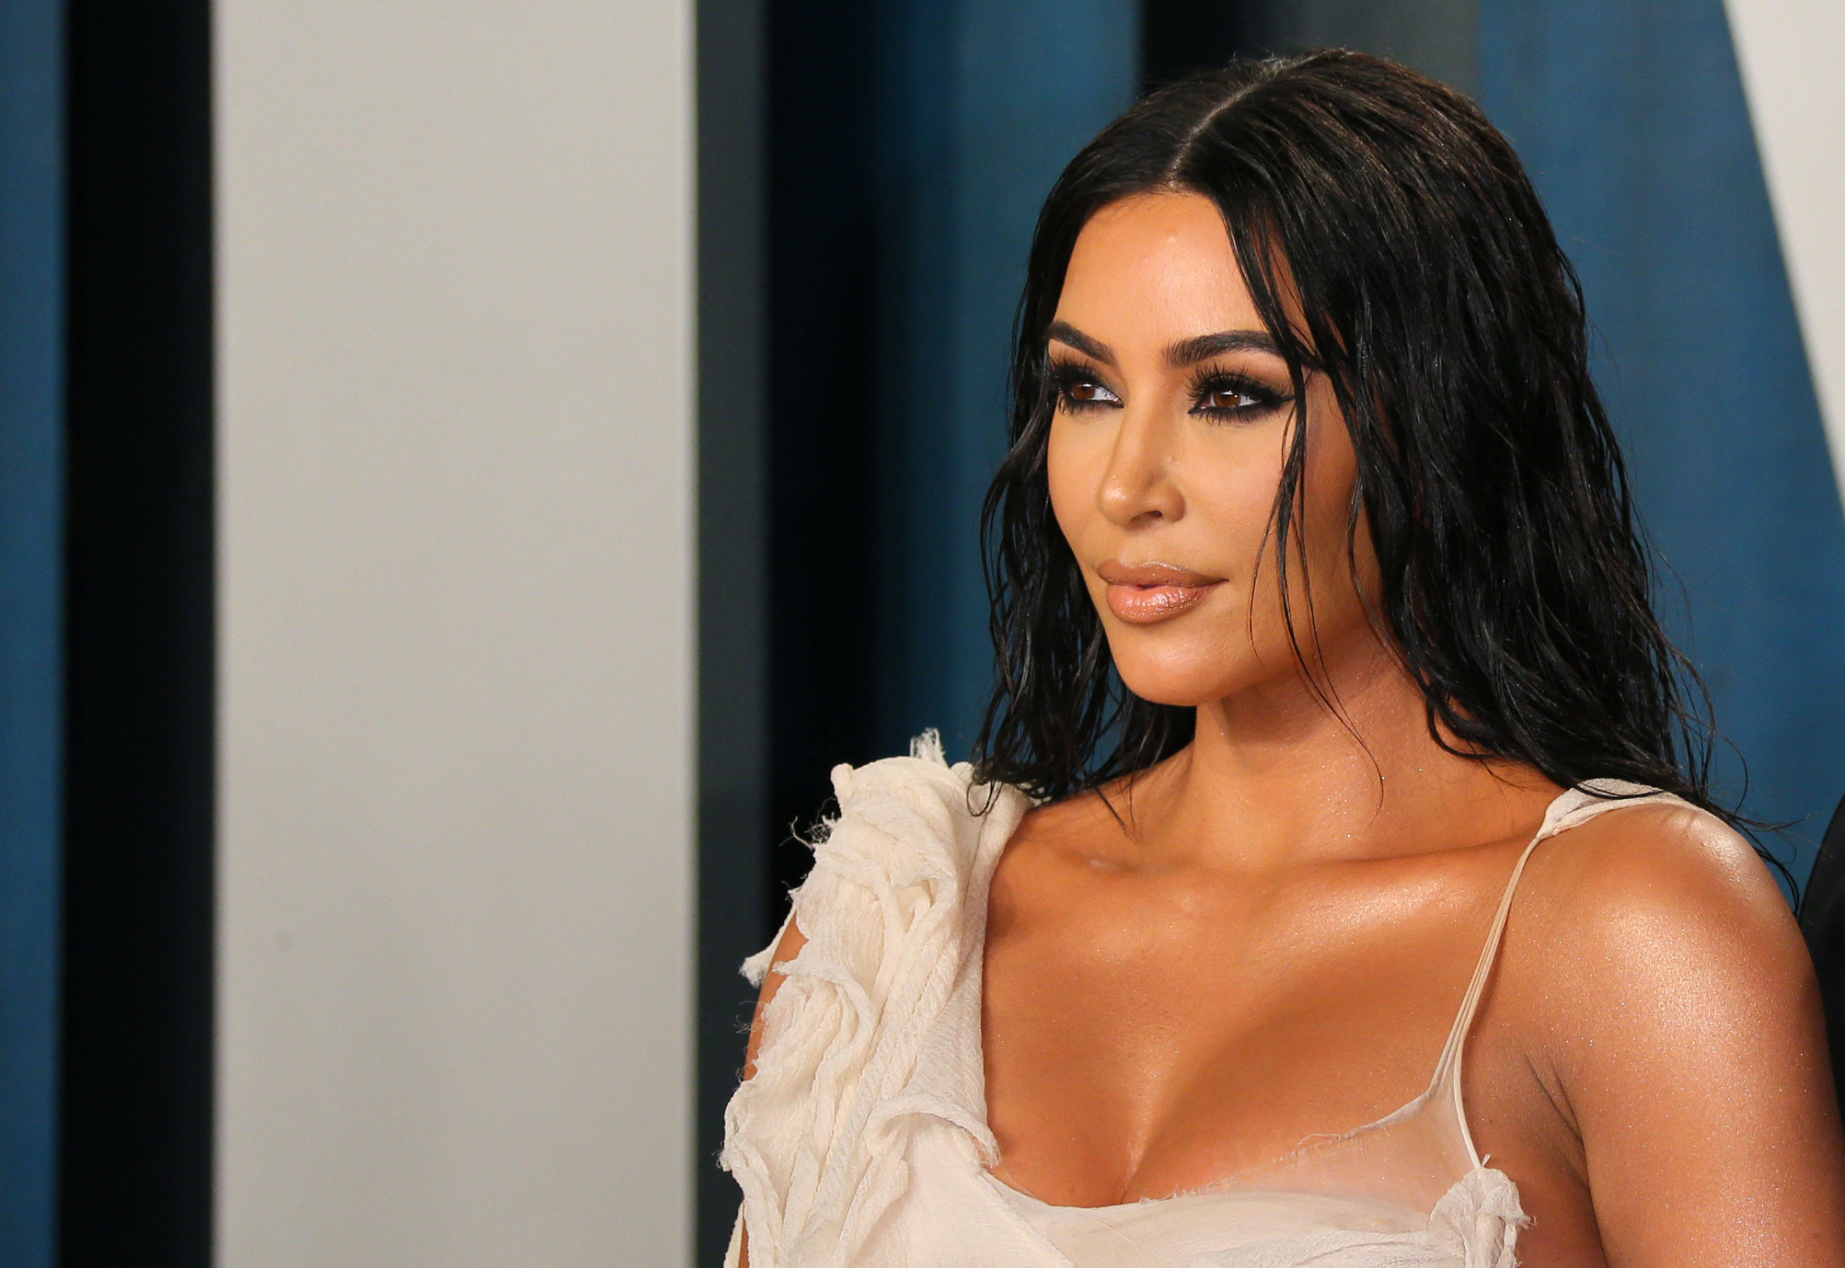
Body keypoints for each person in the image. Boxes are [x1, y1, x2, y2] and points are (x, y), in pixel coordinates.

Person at [720, 50, 1845, 1267]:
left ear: (1433, 419)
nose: (1124, 486)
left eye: (1229, 395)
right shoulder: (896, 920)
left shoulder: (1633, 931)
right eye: (1086, 389)